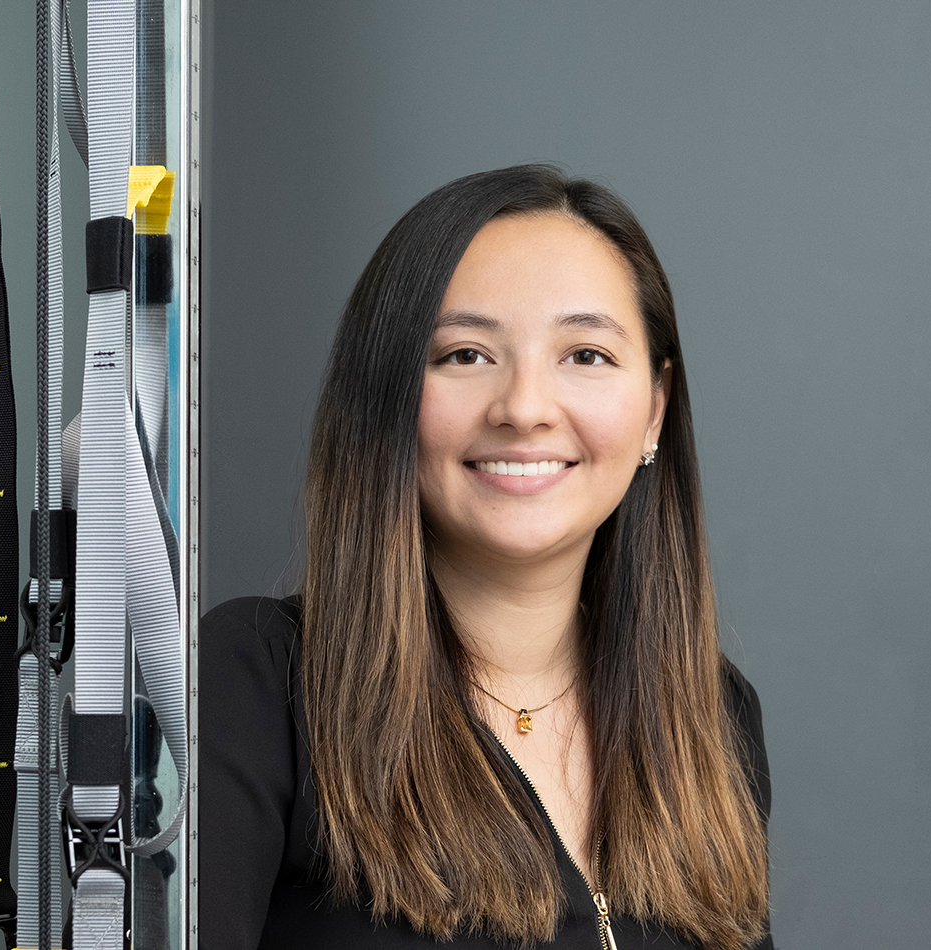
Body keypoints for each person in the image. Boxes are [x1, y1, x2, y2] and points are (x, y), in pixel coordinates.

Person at [200, 165, 773, 949]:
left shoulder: (708, 715)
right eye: (465, 355)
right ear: (386, 398)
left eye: (587, 355)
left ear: (656, 410)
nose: (525, 409)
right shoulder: (258, 686)